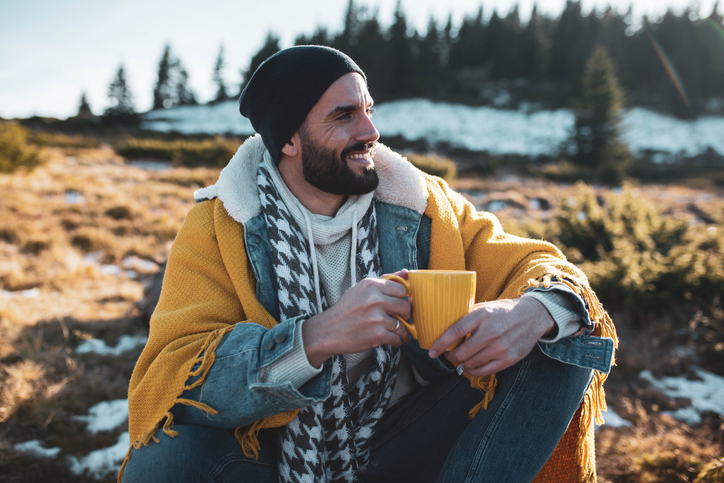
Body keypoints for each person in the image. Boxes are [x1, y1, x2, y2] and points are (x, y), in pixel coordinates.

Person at [119, 46, 616, 483]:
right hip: (272, 456)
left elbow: (539, 264)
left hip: (404, 438)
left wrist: (528, 314)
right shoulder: (221, 223)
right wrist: (312, 338)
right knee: (168, 454)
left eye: (369, 110)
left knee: (560, 335)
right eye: (344, 116)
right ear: (289, 139)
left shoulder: (419, 203)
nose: (371, 131)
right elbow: (176, 376)